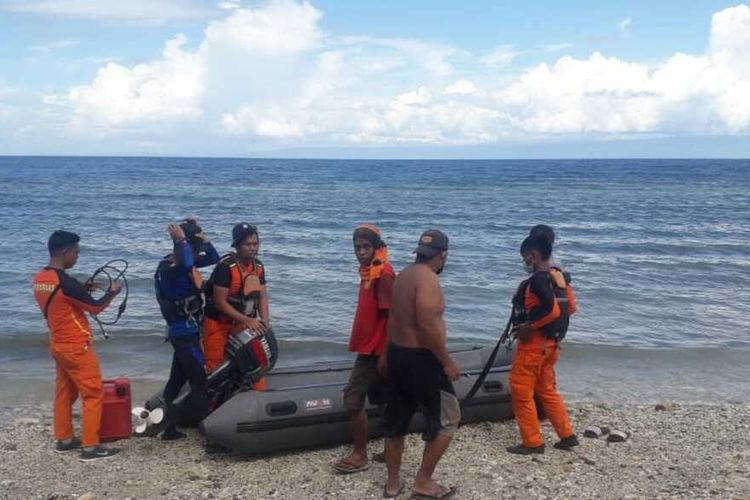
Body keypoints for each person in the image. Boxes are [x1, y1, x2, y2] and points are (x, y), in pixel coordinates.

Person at [381, 229, 460, 500]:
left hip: (397, 352)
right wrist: (446, 361)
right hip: (421, 359)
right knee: (449, 419)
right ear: (442, 255)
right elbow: (427, 324)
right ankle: (423, 481)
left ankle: (393, 484)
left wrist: (385, 354)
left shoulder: (404, 275)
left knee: (397, 421)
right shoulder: (428, 280)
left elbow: (393, 318)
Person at [32, 230, 122, 462]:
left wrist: (82, 288)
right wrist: (112, 293)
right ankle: (90, 447)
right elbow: (95, 308)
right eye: (76, 252)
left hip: (58, 345)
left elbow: (63, 299)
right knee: (93, 393)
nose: (77, 257)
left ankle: (64, 439)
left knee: (65, 392)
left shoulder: (41, 277)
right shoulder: (65, 282)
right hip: (76, 346)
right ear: (65, 252)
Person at [506, 233, 578, 454]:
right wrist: (550, 330)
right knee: (547, 390)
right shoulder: (558, 277)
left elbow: (553, 310)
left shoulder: (537, 279)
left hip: (533, 347)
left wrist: (531, 326)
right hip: (552, 345)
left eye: (524, 257)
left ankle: (532, 442)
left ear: (533, 255)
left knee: (521, 390)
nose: (524, 262)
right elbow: (571, 308)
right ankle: (567, 435)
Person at [332, 224, 395, 474]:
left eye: (366, 247)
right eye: (357, 247)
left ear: (377, 248)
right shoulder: (369, 271)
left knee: (353, 400)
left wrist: (386, 355)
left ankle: (360, 454)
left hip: (375, 351)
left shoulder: (383, 274)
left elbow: (393, 316)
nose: (360, 252)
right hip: (370, 348)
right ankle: (390, 448)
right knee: (382, 399)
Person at [154, 219, 219, 440]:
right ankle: (210, 433)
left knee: (176, 380)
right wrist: (181, 239)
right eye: (195, 248)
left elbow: (213, 258)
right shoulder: (171, 267)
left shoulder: (184, 263)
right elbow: (186, 263)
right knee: (199, 383)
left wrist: (205, 240)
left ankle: (165, 426)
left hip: (185, 333)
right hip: (183, 334)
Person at [203, 223, 270, 389]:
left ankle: (253, 397)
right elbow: (220, 303)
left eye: (255, 244)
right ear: (237, 245)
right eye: (248, 244)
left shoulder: (258, 267)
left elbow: (262, 296)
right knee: (215, 369)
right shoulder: (225, 267)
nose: (253, 248)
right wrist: (248, 320)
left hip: (242, 324)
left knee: (253, 364)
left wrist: (265, 321)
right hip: (218, 324)